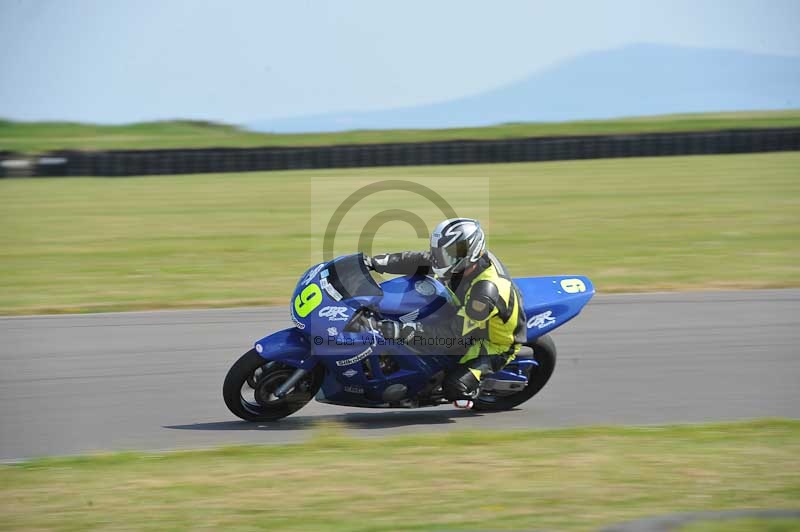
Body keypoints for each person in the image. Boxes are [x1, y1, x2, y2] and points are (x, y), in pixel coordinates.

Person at [364, 218, 527, 408]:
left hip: (490, 342)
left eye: (447, 253)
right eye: (440, 252)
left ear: (470, 252)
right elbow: (418, 260)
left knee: (455, 387)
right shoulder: (463, 263)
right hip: (464, 315)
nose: (440, 259)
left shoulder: (483, 293)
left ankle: (471, 389)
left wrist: (403, 331)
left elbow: (452, 335)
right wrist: (374, 263)